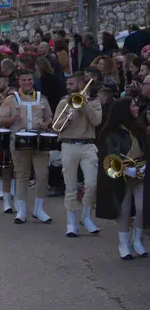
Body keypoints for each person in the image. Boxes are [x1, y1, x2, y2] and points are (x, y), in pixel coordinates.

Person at [0, 70, 54, 224]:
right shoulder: (11, 99)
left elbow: (49, 116)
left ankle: (39, 209)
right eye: (24, 80)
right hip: (19, 141)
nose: (28, 82)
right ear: (19, 82)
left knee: (42, 175)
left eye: (30, 79)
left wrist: (46, 123)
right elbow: (1, 120)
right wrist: (12, 119)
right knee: (21, 175)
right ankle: (21, 210)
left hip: (39, 141)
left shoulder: (41, 98)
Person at [96, 98, 148, 260]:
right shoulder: (110, 133)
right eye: (133, 105)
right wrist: (126, 169)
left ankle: (137, 240)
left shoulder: (138, 127)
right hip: (121, 175)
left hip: (140, 172)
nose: (136, 108)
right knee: (123, 211)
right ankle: (123, 243)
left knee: (141, 208)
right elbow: (109, 155)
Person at [54, 73, 102, 237]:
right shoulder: (63, 102)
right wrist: (68, 118)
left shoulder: (94, 102)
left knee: (92, 184)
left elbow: (96, 121)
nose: (68, 86)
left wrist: (84, 106)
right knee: (71, 187)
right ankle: (71, 222)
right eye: (67, 84)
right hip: (68, 144)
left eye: (71, 84)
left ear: (81, 84)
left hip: (88, 145)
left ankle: (86, 217)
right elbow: (56, 126)